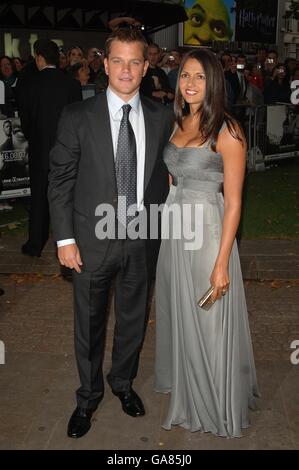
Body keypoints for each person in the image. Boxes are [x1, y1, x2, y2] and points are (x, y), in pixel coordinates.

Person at [48, 28, 173, 439]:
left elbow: (169, 175)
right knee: (89, 323)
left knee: (133, 321)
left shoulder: (161, 116)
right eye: (117, 60)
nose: (125, 69)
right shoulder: (76, 116)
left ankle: (122, 383)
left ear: (145, 66)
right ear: (104, 65)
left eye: (134, 61)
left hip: (142, 236)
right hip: (89, 241)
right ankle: (87, 397)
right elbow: (60, 181)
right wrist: (64, 239)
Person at [155, 48, 259, 438]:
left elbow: (233, 202)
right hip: (175, 228)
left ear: (213, 81)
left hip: (208, 233)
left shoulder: (228, 131)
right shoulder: (178, 120)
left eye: (199, 76)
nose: (191, 83)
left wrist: (221, 262)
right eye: (185, 75)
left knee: (209, 318)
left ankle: (215, 400)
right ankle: (188, 386)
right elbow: (173, 176)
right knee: (181, 311)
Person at [19, 39, 82, 258]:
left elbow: (25, 121)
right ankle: (67, 243)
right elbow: (78, 122)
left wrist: (35, 139)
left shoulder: (29, 85)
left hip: (39, 150)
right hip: (68, 153)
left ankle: (35, 244)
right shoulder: (72, 85)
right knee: (67, 199)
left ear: (39, 57)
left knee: (38, 199)